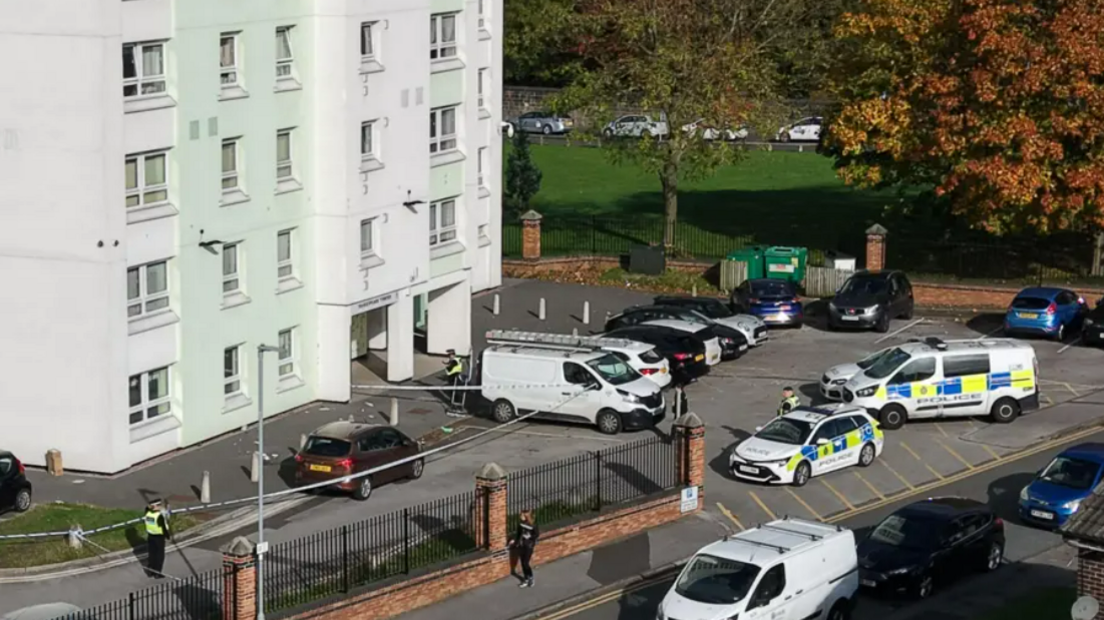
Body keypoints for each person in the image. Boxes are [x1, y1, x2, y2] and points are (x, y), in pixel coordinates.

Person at [510, 510, 540, 588]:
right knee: (522, 563)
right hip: (521, 545)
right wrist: (515, 543)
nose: (520, 516)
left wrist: (529, 537)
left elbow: (536, 535)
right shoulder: (520, 524)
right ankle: (526, 579)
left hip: (528, 546)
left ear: (526, 516)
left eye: (521, 515)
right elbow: (518, 534)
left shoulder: (533, 525)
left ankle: (531, 578)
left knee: (526, 562)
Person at [144, 498, 171, 578]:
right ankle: (157, 573)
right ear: (155, 506)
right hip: (159, 536)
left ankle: (150, 572)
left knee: (152, 554)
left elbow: (148, 508)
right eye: (158, 505)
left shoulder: (147, 513)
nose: (160, 506)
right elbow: (165, 522)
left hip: (150, 535)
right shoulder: (159, 515)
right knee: (159, 556)